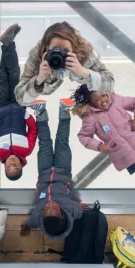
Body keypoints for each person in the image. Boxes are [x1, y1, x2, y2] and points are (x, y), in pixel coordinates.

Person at [20, 99, 89, 239]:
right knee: (62, 140)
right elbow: (80, 212)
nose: (50, 204)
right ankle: (64, 111)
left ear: (42, 215)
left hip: (44, 171)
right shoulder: (70, 209)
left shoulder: (36, 216)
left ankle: (41, 112)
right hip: (63, 169)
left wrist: (26, 227)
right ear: (62, 215)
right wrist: (80, 205)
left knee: (44, 142)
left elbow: (31, 223)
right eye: (55, 208)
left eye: (46, 208)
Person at [14, 21, 114, 106]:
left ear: (74, 48)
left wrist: (84, 72)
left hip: (80, 69)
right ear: (47, 47)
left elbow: (110, 84)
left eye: (66, 51)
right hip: (48, 83)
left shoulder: (85, 53)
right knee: (45, 89)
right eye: (54, 50)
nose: (60, 56)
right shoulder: (38, 55)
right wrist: (39, 79)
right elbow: (21, 99)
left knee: (89, 82)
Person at [0, 24, 37, 181]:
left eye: (9, 167)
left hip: (2, 107)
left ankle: (7, 43)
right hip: (19, 105)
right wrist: (26, 115)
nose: (12, 163)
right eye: (16, 166)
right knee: (14, 74)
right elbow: (33, 131)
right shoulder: (26, 150)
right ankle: (8, 43)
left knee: (3, 76)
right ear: (22, 165)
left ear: (4, 165)